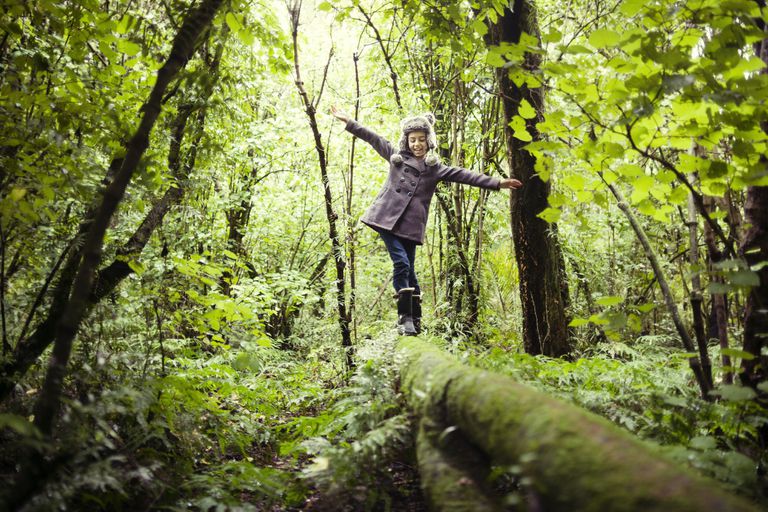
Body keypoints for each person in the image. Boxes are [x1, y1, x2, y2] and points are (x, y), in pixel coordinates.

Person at [330, 106, 522, 336]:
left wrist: (498, 182)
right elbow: (373, 138)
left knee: (409, 269)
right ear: (406, 141)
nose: (417, 144)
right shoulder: (396, 158)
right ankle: (404, 318)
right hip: (385, 220)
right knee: (401, 263)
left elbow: (464, 175)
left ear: (428, 141)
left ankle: (416, 318)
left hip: (410, 226)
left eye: (421, 139)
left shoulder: (435, 169)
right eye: (412, 140)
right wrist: (348, 121)